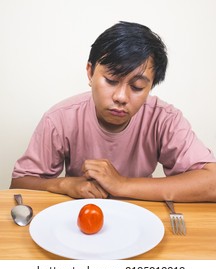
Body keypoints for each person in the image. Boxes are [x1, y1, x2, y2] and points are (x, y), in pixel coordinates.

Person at [10, 21, 216, 202]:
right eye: (110, 81)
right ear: (90, 72)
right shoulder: (60, 118)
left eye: (136, 87)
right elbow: (19, 184)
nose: (121, 97)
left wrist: (122, 184)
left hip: (143, 218)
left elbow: (212, 182)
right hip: (83, 217)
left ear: (151, 87)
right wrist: (65, 185)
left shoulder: (164, 118)